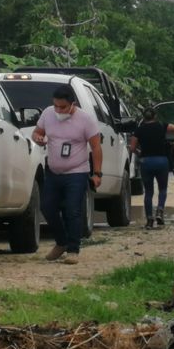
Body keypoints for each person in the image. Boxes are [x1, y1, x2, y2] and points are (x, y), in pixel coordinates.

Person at [32, 85, 103, 265]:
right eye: (55, 106)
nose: (58, 110)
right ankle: (61, 242)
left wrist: (97, 173)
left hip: (77, 172)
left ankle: (73, 249)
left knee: (72, 210)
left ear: (72, 104)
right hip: (54, 171)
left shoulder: (85, 120)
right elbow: (37, 132)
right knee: (47, 207)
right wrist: (38, 139)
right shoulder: (48, 114)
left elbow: (96, 147)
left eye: (62, 107)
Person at [129, 108, 174, 229]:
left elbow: (132, 148)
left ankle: (149, 220)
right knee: (162, 189)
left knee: (148, 192)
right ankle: (159, 211)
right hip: (161, 161)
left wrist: (140, 153)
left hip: (146, 162)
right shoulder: (162, 126)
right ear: (155, 116)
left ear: (144, 117)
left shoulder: (139, 130)